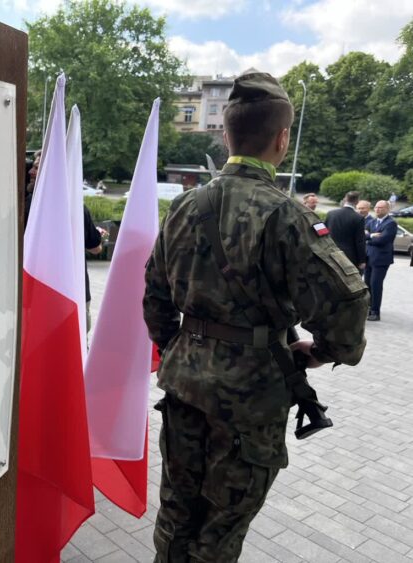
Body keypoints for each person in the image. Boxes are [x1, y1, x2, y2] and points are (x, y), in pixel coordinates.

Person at [143, 71, 368, 562]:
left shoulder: (183, 207)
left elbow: (154, 295)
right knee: (221, 527)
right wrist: (323, 352)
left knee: (176, 514)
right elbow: (348, 302)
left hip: (184, 386)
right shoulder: (287, 216)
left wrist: (180, 349)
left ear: (226, 136)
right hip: (251, 397)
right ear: (282, 139)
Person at [364, 200, 398, 321]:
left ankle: (375, 312)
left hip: (381, 260)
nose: (377, 209)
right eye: (376, 207)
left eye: (381, 208)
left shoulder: (391, 223)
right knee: (367, 284)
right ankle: (368, 308)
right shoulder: (372, 222)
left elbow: (382, 240)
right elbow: (363, 235)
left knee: (375, 285)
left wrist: (368, 238)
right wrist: (371, 236)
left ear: (387, 209)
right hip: (368, 257)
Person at [325, 191, 366, 271]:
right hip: (349, 256)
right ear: (357, 201)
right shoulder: (358, 218)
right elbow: (360, 241)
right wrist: (362, 260)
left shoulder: (331, 214)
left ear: (345, 199)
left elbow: (324, 233)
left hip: (331, 252)